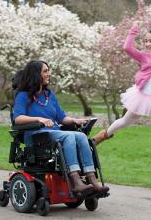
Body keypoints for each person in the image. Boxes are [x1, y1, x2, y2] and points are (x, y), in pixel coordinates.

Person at [13, 60, 109, 195]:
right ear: (35, 74)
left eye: (48, 70)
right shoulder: (23, 96)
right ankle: (75, 180)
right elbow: (18, 118)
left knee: (81, 135)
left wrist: (76, 120)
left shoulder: (49, 95)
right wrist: (39, 119)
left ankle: (92, 179)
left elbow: (61, 118)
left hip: (52, 134)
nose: (49, 74)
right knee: (68, 136)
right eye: (45, 71)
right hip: (36, 136)